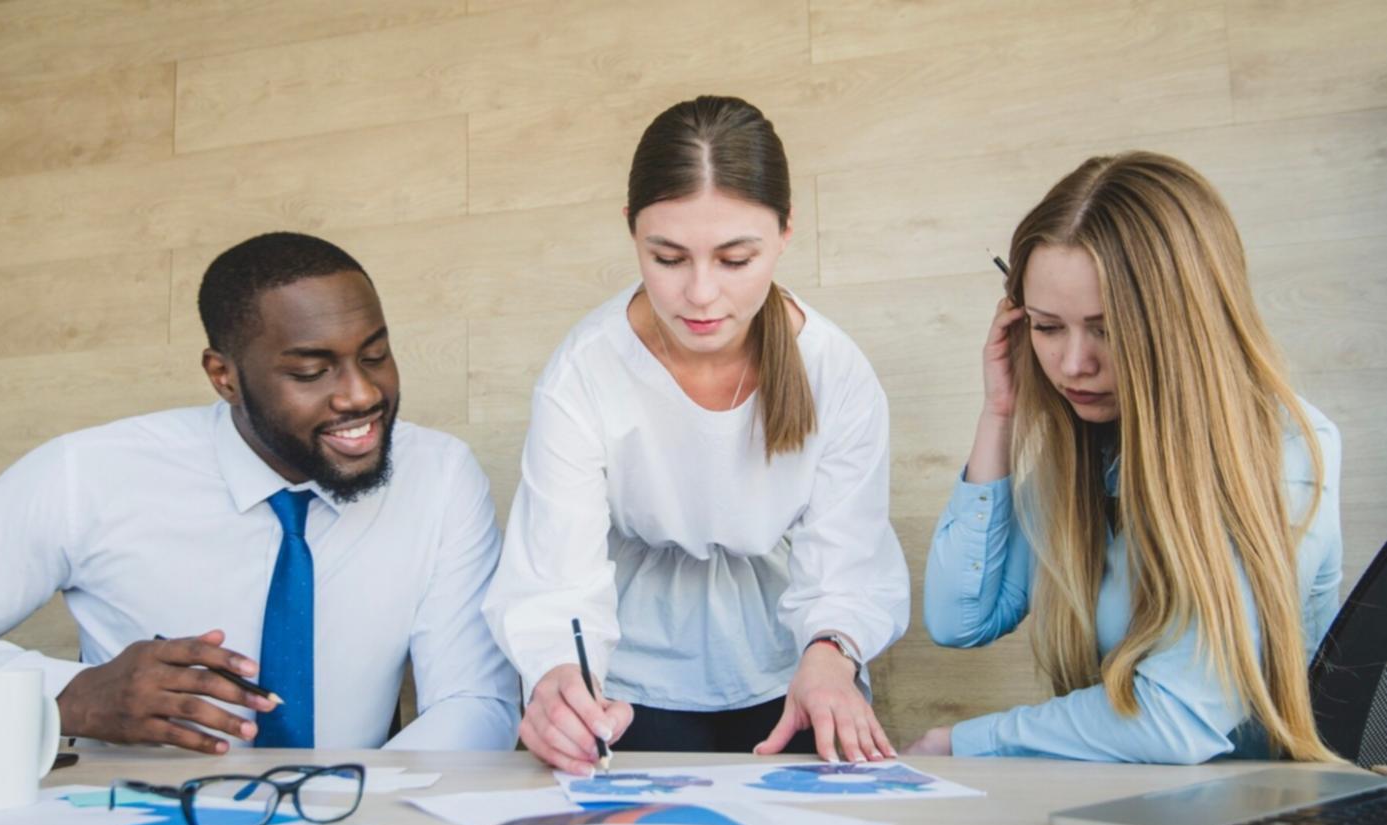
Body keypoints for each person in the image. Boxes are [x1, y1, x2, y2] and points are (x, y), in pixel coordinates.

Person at [0, 232, 520, 753]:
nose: (361, 394)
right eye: (311, 371)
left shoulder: (439, 476)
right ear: (223, 377)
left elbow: (475, 700)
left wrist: (351, 811)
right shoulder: (90, 473)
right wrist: (67, 697)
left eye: (374, 354)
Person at [482, 96, 911, 775]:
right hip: (628, 677)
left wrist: (831, 657)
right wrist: (559, 678)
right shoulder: (582, 370)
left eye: (735, 259)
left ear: (785, 232)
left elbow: (847, 561)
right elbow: (554, 579)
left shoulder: (835, 372)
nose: (701, 295)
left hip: (788, 667)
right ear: (631, 233)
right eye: (668, 257)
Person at [904, 152, 1342, 763]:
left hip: (1253, 815)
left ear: (1184, 323)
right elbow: (961, 618)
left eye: (1107, 329)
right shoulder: (1091, 448)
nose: (1074, 364)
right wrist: (998, 414)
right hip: (1134, 801)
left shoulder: (1284, 450)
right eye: (1047, 328)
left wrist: (965, 741)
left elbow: (1176, 720)